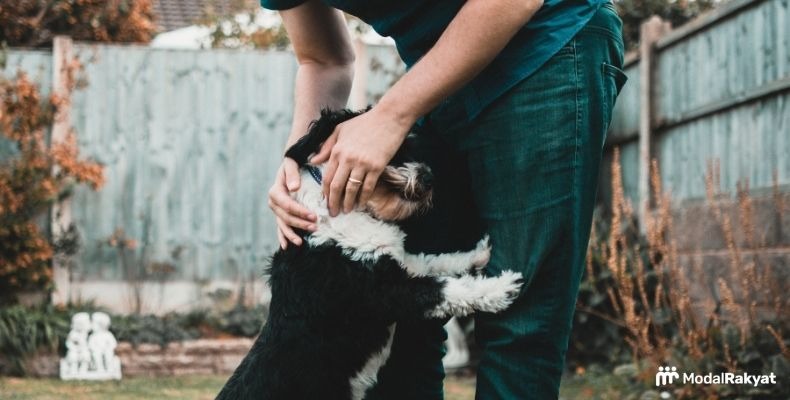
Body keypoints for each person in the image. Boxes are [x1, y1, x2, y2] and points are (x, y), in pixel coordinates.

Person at [264, 0, 627, 399]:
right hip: (437, 74)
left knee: (519, 321)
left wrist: (391, 116)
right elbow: (323, 58)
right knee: (399, 315)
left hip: (543, 45)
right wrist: (298, 162)